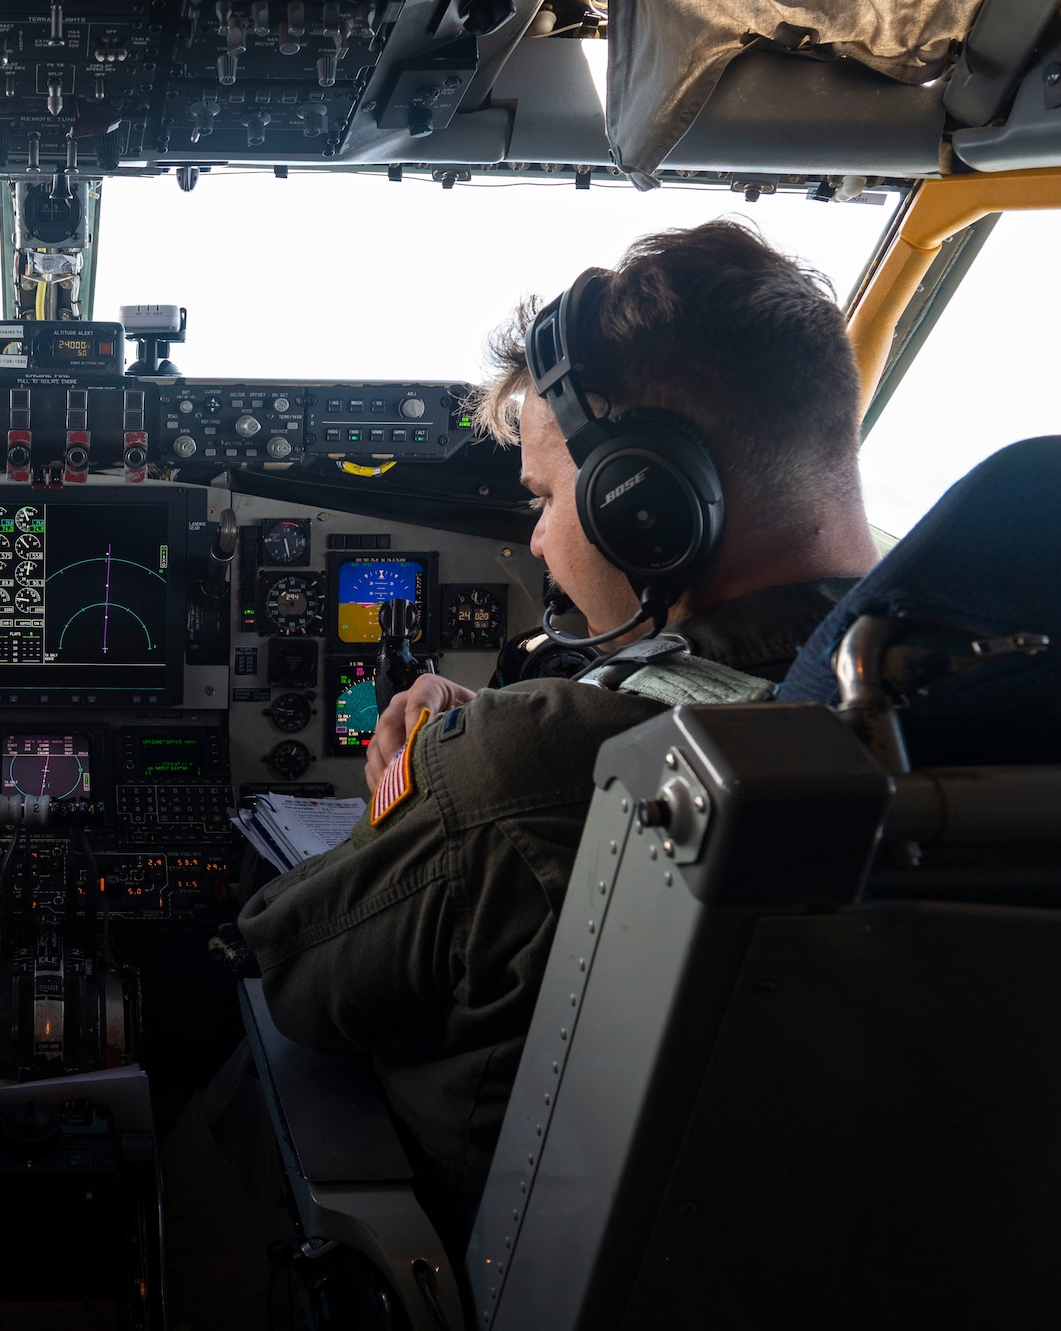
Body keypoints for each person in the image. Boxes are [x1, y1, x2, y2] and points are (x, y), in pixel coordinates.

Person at [166, 220, 880, 1327]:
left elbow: (293, 966)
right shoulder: (983, 709)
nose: (538, 543)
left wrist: (419, 787)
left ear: (643, 503)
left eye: (544, 497)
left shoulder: (530, 771)